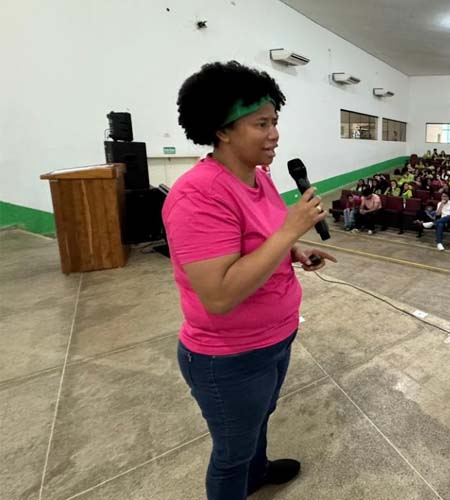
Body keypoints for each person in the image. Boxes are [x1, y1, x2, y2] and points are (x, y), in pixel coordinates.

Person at [165, 61, 337, 500]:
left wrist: (294, 250)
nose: (274, 134)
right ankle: (243, 474)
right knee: (231, 454)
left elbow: (259, 239)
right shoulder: (199, 194)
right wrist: (289, 230)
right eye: (261, 124)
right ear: (222, 130)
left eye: (274, 121)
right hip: (230, 356)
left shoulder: (259, 177)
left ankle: (257, 474)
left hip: (274, 337)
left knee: (260, 418)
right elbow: (219, 295)